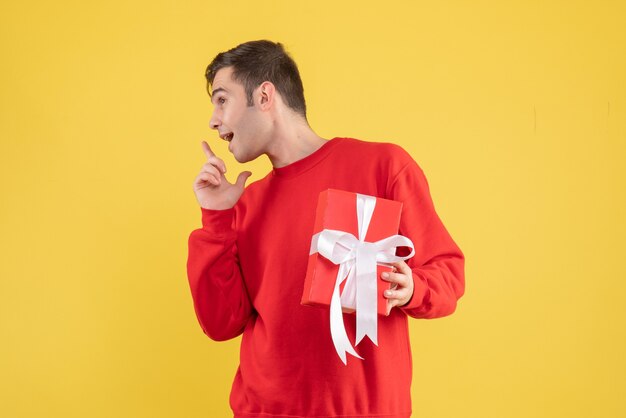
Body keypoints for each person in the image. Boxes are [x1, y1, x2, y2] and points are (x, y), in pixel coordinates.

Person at [186, 40, 465, 418]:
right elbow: (221, 323)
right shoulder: (245, 204)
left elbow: (447, 272)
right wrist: (217, 216)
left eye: (222, 100)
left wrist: (415, 287)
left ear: (265, 95)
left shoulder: (383, 166)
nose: (214, 120)